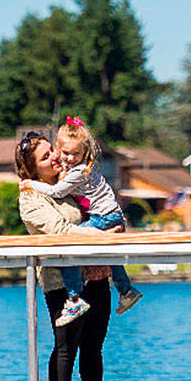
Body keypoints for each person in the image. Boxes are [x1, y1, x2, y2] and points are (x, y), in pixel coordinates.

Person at [15, 130, 119, 381]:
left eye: (53, 150)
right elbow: (60, 231)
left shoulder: (72, 180)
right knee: (66, 347)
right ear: (33, 169)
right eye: (46, 156)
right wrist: (102, 238)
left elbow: (102, 208)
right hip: (62, 283)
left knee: (93, 347)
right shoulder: (31, 197)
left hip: (96, 274)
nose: (56, 157)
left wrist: (111, 234)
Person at [18, 116, 143, 326]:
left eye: (75, 153)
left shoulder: (76, 173)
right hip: (110, 215)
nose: (68, 157)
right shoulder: (77, 170)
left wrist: (30, 183)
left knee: (70, 248)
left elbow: (56, 192)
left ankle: (75, 299)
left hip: (104, 217)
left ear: (84, 153)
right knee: (105, 249)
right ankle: (126, 289)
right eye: (64, 152)